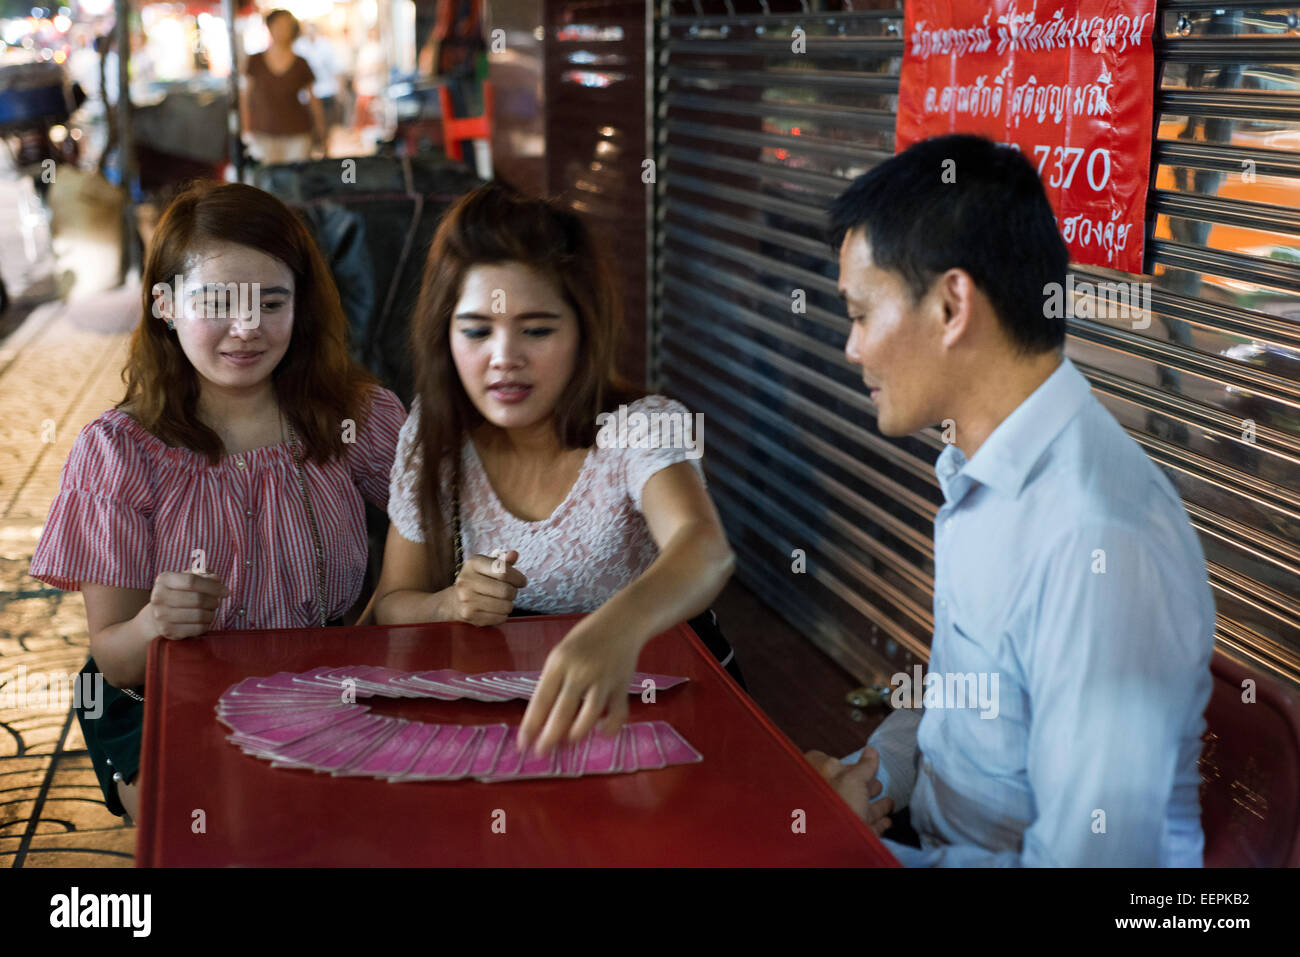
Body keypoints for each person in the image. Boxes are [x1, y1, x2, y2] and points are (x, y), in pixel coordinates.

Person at [804, 134, 1216, 866]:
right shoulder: (983, 471)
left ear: (953, 305)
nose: (851, 347)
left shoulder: (1095, 539)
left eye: (863, 314)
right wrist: (874, 777)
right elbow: (968, 700)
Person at [28, 182, 406, 822]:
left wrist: (379, 617)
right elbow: (116, 658)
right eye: (216, 302)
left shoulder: (354, 418)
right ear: (165, 306)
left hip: (322, 672)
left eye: (272, 301)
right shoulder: (119, 453)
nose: (248, 327)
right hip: (160, 692)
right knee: (220, 819)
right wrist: (154, 623)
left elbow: (431, 522)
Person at [373, 182, 739, 756]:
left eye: (537, 330)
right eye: (476, 330)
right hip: (513, 726)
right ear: (444, 336)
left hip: (655, 715)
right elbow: (393, 602)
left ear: (583, 333)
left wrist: (612, 631)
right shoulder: (433, 434)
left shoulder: (641, 426)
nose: (504, 357)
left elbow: (706, 548)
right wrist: (447, 605)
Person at [240, 9, 326, 164]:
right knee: (267, 180)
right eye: (278, 25)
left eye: (287, 25)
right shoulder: (255, 60)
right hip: (263, 131)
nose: (283, 30)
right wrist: (246, 130)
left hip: (297, 132)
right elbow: (245, 97)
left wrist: (321, 130)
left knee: (295, 178)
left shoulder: (301, 63)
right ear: (270, 27)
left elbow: (313, 99)